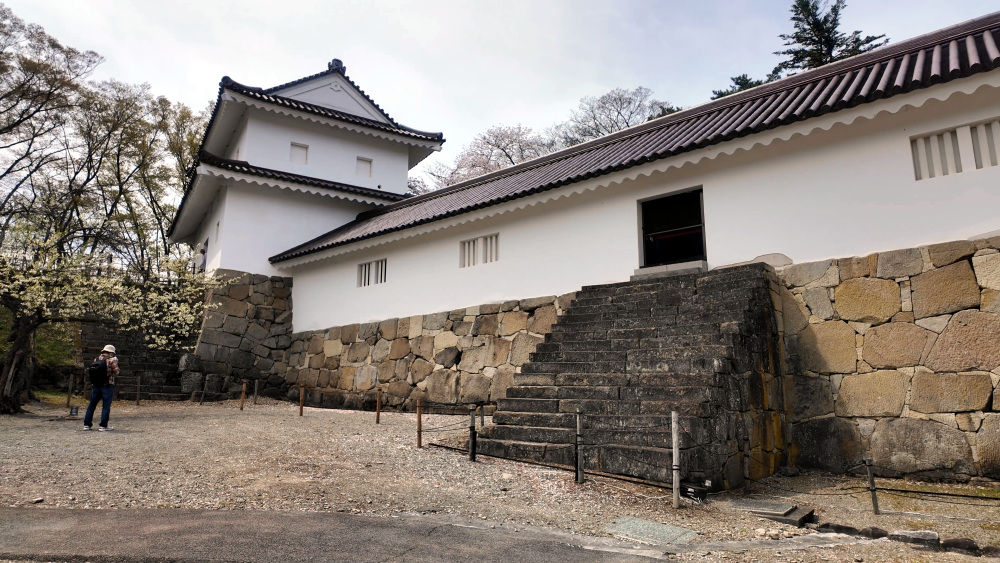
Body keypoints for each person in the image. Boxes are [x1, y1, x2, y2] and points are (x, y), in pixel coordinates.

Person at [83, 344, 120, 431]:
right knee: (106, 406)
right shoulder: (111, 360)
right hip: (107, 385)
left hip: (96, 385)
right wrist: (116, 362)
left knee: (92, 405)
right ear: (111, 353)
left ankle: (87, 424)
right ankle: (103, 426)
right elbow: (117, 371)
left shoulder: (96, 359)